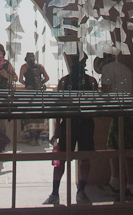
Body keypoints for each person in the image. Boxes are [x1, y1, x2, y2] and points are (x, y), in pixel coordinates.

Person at [43, 55, 98, 205]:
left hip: (84, 124)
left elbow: (94, 105)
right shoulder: (65, 81)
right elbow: (58, 107)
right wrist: (59, 126)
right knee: (61, 159)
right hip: (70, 123)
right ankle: (56, 193)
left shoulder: (90, 81)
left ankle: (80, 191)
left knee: (84, 159)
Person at [98, 53, 133, 201]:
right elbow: (131, 91)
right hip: (127, 110)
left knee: (125, 149)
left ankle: (130, 187)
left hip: (119, 110)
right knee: (112, 145)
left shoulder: (107, 69)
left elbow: (105, 91)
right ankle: (115, 182)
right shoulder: (126, 69)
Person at [19, 52, 49, 145]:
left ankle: (33, 138)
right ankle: (37, 138)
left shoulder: (25, 67)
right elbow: (47, 78)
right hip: (38, 93)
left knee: (32, 114)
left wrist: (28, 84)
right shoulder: (40, 67)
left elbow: (20, 80)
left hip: (31, 93)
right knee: (37, 114)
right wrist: (39, 84)